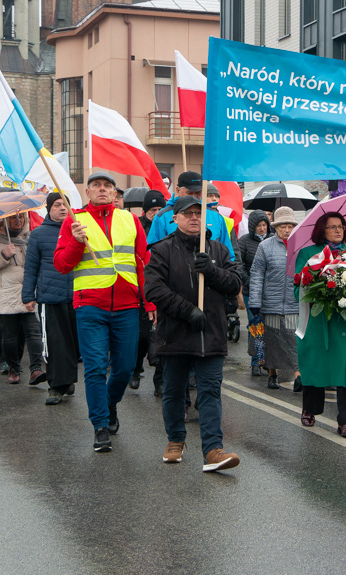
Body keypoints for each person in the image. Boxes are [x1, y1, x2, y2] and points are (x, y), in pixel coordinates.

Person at [54, 171, 152, 453]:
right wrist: (74, 240)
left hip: (126, 306)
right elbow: (61, 265)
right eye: (96, 185)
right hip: (90, 306)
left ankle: (109, 404)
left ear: (114, 193)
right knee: (95, 367)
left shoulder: (130, 220)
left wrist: (149, 302)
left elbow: (142, 263)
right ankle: (99, 426)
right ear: (87, 192)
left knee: (124, 368)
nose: (101, 189)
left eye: (107, 186)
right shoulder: (74, 221)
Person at [144, 196, 242, 470]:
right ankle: (175, 439)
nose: (194, 218)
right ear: (174, 219)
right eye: (187, 214)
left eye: (198, 213)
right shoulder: (162, 250)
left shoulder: (219, 250)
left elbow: (234, 284)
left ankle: (213, 450)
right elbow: (153, 289)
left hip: (211, 335)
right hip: (175, 334)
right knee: (174, 391)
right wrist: (187, 311)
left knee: (210, 391)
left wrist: (211, 271)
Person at [295, 212, 346, 438]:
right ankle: (310, 409)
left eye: (341, 226)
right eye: (332, 227)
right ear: (321, 230)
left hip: (345, 322)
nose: (338, 230)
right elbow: (298, 288)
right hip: (317, 319)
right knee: (315, 363)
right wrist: (319, 289)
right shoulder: (307, 254)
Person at [22, 193, 79, 405]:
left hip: (78, 296)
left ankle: (67, 379)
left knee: (74, 342)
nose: (62, 209)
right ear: (49, 209)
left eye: (66, 205)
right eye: (57, 205)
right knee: (55, 344)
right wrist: (28, 296)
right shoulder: (39, 234)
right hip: (50, 297)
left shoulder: (79, 230)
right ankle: (56, 386)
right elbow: (31, 268)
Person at [0, 212, 46, 385]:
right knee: (9, 337)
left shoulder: (31, 237)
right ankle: (14, 367)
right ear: (4, 220)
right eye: (12, 217)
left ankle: (35, 369)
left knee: (34, 333)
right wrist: (3, 255)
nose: (18, 220)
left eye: (21, 217)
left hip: (28, 293)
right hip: (7, 294)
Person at [248, 206, 300, 391]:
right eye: (282, 226)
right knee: (272, 341)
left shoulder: (301, 246)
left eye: (290, 226)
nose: (286, 230)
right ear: (275, 227)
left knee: (294, 340)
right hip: (271, 303)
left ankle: (298, 374)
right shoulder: (265, 246)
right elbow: (257, 275)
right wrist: (255, 302)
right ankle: (273, 374)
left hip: (295, 304)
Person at [145, 172, 235, 263]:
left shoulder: (216, 217)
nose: (194, 197)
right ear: (178, 190)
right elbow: (152, 253)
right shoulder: (162, 217)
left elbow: (229, 255)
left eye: (198, 193)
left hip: (210, 274)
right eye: (190, 193)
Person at [132, 188, 167, 395]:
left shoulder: (166, 225)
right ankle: (135, 369)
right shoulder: (136, 226)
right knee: (142, 336)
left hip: (163, 287)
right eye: (152, 209)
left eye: (159, 208)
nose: (156, 212)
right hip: (141, 290)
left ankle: (160, 381)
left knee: (163, 336)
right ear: (145, 211)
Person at [239, 209, 272, 376]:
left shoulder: (273, 241)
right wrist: (249, 281)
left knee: (269, 327)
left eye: (264, 225)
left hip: (270, 291)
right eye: (258, 225)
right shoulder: (244, 242)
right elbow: (239, 264)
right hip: (251, 291)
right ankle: (256, 361)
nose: (262, 228)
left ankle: (268, 361)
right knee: (256, 325)